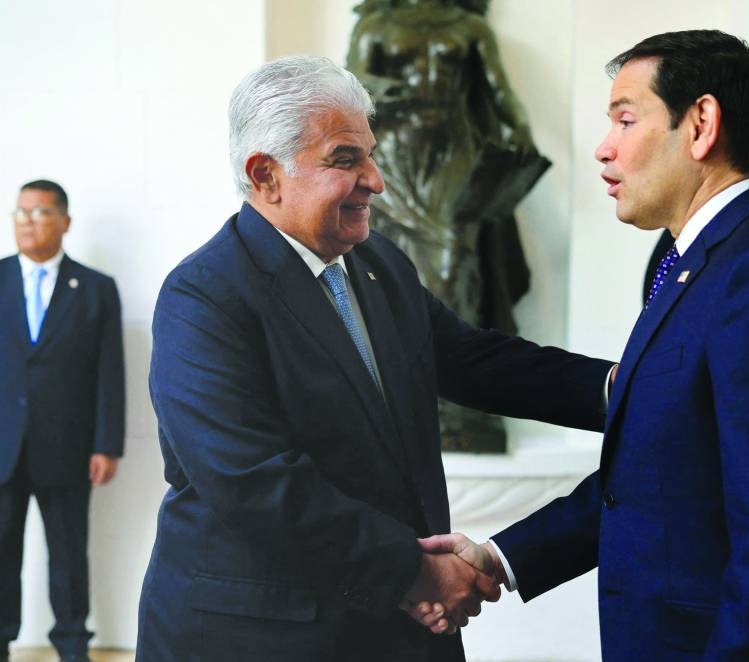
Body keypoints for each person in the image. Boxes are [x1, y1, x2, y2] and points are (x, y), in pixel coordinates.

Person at [411, 30, 749, 660]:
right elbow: (654, 473)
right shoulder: (682, 262)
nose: (604, 149)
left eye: (625, 119)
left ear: (701, 125)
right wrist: (501, 557)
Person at [135, 55, 612, 662]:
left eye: (371, 154)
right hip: (265, 635)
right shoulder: (203, 296)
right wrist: (417, 573)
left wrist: (623, 387)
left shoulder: (378, 263)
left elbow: (476, 361)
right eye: (345, 159)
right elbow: (255, 482)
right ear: (266, 175)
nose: (377, 180)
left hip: (392, 631)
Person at [347, 0, 550, 451]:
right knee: (394, 273)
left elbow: (498, 90)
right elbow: (352, 87)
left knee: (453, 268)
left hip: (453, 151)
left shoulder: (470, 27)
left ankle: (459, 401)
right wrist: (384, 91)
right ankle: (411, 397)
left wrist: (520, 132)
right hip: (398, 155)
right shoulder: (377, 24)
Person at [0, 180, 124, 662]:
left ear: (65, 221)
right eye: (20, 213)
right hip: (4, 447)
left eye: (40, 212)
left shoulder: (95, 289)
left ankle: (73, 646)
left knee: (69, 557)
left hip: (69, 448)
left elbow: (109, 373)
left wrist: (107, 443)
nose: (28, 222)